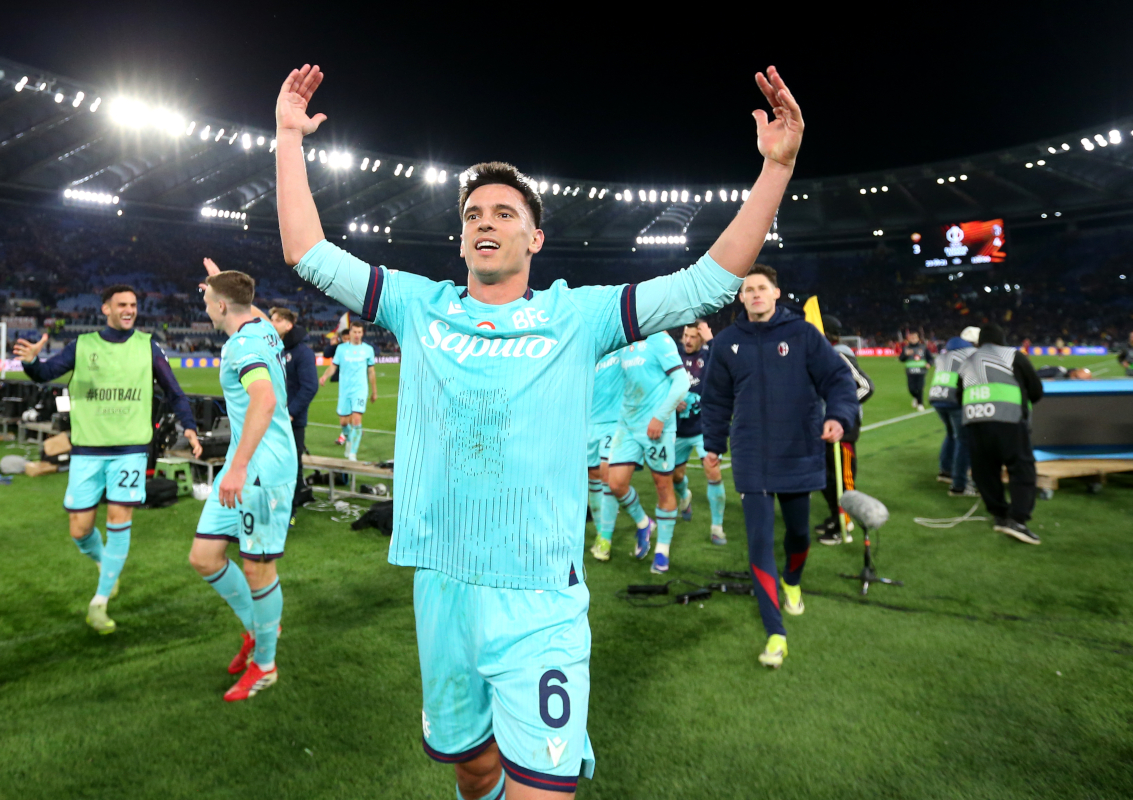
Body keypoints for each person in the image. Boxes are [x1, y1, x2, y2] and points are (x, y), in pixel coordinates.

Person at [275, 62, 802, 798]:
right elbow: (307, 253)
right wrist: (287, 140)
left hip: (540, 595)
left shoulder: (575, 316)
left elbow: (706, 283)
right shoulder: (417, 307)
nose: (484, 223)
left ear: (536, 237)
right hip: (444, 581)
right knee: (473, 766)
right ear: (461, 241)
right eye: (473, 216)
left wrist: (774, 170)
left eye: (503, 214)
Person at [14, 285, 200, 634]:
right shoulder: (83, 346)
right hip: (87, 451)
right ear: (106, 309)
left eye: (133, 304)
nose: (129, 310)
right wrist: (30, 360)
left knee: (118, 520)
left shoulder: (147, 346)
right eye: (122, 305)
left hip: (130, 450)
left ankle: (99, 603)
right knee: (80, 529)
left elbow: (174, 392)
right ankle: (105, 564)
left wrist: (189, 428)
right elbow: (43, 374)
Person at [701, 265, 857, 668]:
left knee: (800, 535)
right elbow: (716, 401)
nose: (754, 294)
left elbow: (839, 379)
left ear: (776, 294)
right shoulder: (726, 343)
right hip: (751, 457)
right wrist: (713, 446)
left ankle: (792, 581)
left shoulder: (804, 335)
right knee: (758, 543)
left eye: (761, 288)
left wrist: (838, 416)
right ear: (741, 298)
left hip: (798, 450)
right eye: (748, 289)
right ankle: (775, 631)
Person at [187, 270, 297, 701]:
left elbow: (264, 399)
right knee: (205, 556)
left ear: (218, 307)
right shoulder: (263, 326)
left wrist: (238, 466)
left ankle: (265, 665)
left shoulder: (243, 346)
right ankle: (259, 626)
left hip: (262, 470)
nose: (205, 308)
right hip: (244, 464)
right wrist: (221, 280)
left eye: (208, 301)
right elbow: (243, 302)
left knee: (257, 568)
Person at [605, 331, 691, 573]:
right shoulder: (623, 343)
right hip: (627, 425)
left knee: (663, 486)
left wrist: (660, 416)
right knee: (615, 484)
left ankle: (662, 550)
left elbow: (682, 382)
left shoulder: (660, 340)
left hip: (656, 427)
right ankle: (644, 523)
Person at [957, 323, 1044, 544]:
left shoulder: (967, 362)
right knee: (1021, 468)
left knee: (985, 472)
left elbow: (958, 395)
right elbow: (1036, 389)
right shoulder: (1012, 355)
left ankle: (999, 515)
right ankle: (1018, 520)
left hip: (975, 421)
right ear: (1001, 338)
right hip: (1008, 419)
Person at [815, 315, 874, 545]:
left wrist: (840, 410)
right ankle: (835, 516)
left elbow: (866, 386)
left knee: (843, 477)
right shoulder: (821, 354)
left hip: (841, 428)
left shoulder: (838, 354)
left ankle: (844, 523)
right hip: (824, 426)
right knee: (826, 477)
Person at [671, 321, 729, 545]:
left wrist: (711, 339)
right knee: (676, 476)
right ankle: (685, 497)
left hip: (704, 427)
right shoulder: (673, 355)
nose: (687, 340)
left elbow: (728, 363)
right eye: (685, 335)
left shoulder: (710, 355)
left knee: (712, 471)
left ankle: (717, 527)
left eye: (693, 336)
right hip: (678, 429)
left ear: (701, 338)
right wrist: (672, 399)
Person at [270, 306, 318, 523]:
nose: (272, 323)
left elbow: (310, 386)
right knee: (275, 463)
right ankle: (286, 503)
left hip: (292, 420)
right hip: (271, 418)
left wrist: (291, 413)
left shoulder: (302, 353)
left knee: (291, 463)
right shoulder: (274, 349)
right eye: (271, 319)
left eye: (277, 320)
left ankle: (291, 510)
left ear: (289, 325)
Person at [929, 333, 976, 497]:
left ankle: (945, 471)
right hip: (955, 398)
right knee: (964, 440)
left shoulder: (943, 355)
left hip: (937, 397)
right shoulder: (970, 354)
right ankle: (959, 485)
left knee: (951, 434)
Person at [587, 350, 623, 561]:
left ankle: (605, 538)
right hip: (588, 422)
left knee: (607, 475)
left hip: (613, 422)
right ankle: (601, 532)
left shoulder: (622, 346)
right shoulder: (588, 350)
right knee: (593, 476)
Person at [324, 320, 377, 460]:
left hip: (360, 390)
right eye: (355, 332)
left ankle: (353, 453)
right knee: (343, 422)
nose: (357, 334)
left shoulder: (368, 350)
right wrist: (324, 376)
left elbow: (371, 371)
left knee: (356, 419)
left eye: (360, 332)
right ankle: (348, 440)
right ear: (350, 332)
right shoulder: (341, 349)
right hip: (345, 390)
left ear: (363, 333)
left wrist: (374, 391)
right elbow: (333, 366)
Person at [899, 331, 932, 410]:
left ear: (918, 339)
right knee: (911, 389)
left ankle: (920, 404)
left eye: (915, 338)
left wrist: (929, 364)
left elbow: (930, 358)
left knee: (920, 387)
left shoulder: (923, 348)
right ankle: (916, 398)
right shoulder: (906, 348)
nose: (913, 339)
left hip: (921, 371)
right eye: (911, 338)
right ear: (909, 339)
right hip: (910, 371)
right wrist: (905, 354)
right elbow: (901, 359)